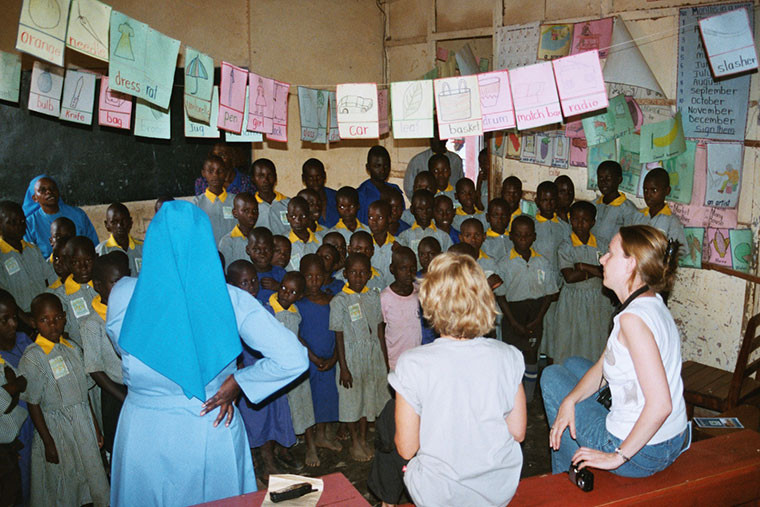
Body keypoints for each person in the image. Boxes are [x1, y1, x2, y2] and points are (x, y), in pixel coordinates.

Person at [104, 201, 308, 506]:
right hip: (210, 425)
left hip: (144, 433)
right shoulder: (230, 298)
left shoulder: (122, 294)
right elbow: (294, 358)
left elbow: (124, 346)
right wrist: (240, 381)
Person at [375, 252, 526, 506]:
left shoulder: (412, 363)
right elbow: (518, 432)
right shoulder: (508, 355)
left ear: (428, 302)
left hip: (438, 494)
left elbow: (407, 449)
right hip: (499, 489)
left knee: (390, 417)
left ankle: (387, 499)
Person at [541, 225, 689, 478]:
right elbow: (603, 364)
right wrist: (570, 400)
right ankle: (576, 420)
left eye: (609, 253)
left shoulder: (632, 321)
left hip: (643, 453)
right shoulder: (651, 301)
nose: (601, 259)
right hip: (672, 436)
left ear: (630, 264)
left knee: (552, 376)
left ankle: (567, 479)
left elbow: (661, 404)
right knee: (575, 364)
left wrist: (617, 456)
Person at [20, 293, 109, 507]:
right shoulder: (33, 357)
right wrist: (48, 442)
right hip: (58, 429)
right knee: (66, 480)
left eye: (57, 318)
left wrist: (95, 426)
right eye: (44, 320)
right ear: (34, 322)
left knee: (90, 476)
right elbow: (33, 403)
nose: (52, 325)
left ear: (65, 317)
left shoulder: (72, 348)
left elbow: (84, 393)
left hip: (83, 424)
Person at [226, 260, 297, 482]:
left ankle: (269, 457)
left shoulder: (264, 307)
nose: (251, 286)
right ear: (231, 285)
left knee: (272, 416)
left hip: (267, 370)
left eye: (254, 281)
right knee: (253, 419)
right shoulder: (229, 313)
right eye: (244, 283)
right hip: (247, 373)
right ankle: (258, 460)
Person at [330, 253, 389, 461]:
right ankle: (354, 440)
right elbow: (338, 335)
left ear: (369, 274)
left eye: (363, 272)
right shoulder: (339, 301)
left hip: (372, 355)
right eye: (353, 272)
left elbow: (380, 330)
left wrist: (385, 359)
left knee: (368, 398)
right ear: (345, 274)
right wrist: (344, 367)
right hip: (351, 357)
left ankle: (363, 438)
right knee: (351, 400)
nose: (358, 276)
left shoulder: (373, 296)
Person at [497, 216, 559, 401]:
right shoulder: (504, 264)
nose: (523, 239)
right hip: (512, 314)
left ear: (534, 236)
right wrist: (513, 322)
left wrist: (539, 319)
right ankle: (511, 398)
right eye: (518, 235)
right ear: (511, 237)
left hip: (536, 313)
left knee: (532, 354)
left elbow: (550, 294)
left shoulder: (543, 262)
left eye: (527, 235)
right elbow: (500, 296)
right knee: (511, 355)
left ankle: (529, 399)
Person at [552, 201, 614, 364]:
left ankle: (594, 380)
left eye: (585, 220)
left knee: (595, 339)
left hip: (597, 300)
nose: (580, 224)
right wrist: (596, 271)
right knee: (570, 340)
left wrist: (583, 267)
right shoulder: (566, 247)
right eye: (575, 219)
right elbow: (570, 277)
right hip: (572, 300)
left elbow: (609, 272)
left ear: (593, 222)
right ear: (570, 220)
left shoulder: (602, 244)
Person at [81, 252, 130, 455]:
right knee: (121, 446)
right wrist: (123, 397)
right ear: (98, 286)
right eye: (115, 282)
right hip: (115, 394)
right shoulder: (92, 324)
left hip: (139, 389)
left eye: (126, 280)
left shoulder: (134, 311)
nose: (123, 287)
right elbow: (95, 370)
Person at [296, 254, 342, 467]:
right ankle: (310, 445)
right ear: (301, 277)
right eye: (308, 276)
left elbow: (338, 332)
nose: (314, 281)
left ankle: (322, 435)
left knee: (325, 399)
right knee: (308, 402)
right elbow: (296, 334)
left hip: (328, 359)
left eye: (318, 276)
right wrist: (312, 356)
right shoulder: (299, 304)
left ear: (325, 277)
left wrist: (334, 357)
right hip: (308, 362)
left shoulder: (332, 301)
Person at [0, 289, 33, 505]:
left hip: (35, 424)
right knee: (17, 487)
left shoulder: (24, 340)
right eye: (4, 320)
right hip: (12, 434)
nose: (13, 324)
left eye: (14, 317)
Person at [23, 175, 99, 259]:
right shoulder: (30, 224)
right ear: (34, 198)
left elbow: (94, 246)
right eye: (42, 190)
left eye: (52, 188)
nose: (49, 192)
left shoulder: (78, 215)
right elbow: (30, 258)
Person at [0, 201, 52, 313]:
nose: (19, 225)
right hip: (17, 316)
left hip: (43, 311)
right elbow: (2, 295)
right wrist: (24, 319)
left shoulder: (33, 249)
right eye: (12, 222)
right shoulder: (1, 256)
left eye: (22, 221)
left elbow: (48, 279)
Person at [46, 236, 98, 347]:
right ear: (67, 263)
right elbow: (64, 333)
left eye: (88, 261)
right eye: (75, 262)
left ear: (96, 258)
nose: (83, 267)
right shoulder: (61, 296)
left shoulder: (103, 285)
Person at [380, 247, 422, 371]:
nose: (409, 272)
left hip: (417, 360)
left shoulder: (419, 292)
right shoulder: (385, 298)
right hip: (394, 363)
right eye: (403, 268)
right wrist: (385, 363)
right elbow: (380, 333)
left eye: (413, 268)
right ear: (392, 269)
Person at [636, 168, 688, 258]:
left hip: (658, 269)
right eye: (645, 190)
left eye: (654, 190)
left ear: (667, 191)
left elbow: (681, 251)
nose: (648, 195)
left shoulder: (672, 222)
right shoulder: (637, 216)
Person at [403, 127, 463, 200]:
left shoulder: (456, 160)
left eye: (440, 136)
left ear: (446, 138)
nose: (437, 139)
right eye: (434, 136)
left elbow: (460, 185)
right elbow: (409, 189)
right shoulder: (418, 160)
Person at [193, 155, 238, 245]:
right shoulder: (197, 203)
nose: (215, 175)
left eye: (220, 171)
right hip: (208, 252)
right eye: (210, 171)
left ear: (225, 174)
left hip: (232, 252)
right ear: (203, 173)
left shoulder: (235, 201)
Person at [593, 160, 639, 245]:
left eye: (608, 178)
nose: (603, 182)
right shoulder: (593, 205)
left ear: (619, 180)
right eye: (600, 178)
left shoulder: (628, 210)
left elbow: (631, 241)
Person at [398, 189, 452, 261]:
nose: (425, 214)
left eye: (428, 209)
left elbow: (449, 260)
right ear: (412, 210)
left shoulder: (443, 237)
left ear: (433, 210)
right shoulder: (404, 236)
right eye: (420, 210)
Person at [357, 146, 404, 226]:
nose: (382, 170)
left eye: (386, 166)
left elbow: (401, 219)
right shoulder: (361, 194)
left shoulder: (395, 190)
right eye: (377, 166)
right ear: (368, 168)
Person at [95, 202, 144, 276]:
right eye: (114, 222)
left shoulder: (143, 247)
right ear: (107, 225)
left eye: (123, 221)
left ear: (130, 222)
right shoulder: (101, 251)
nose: (119, 225)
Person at [218, 192, 259, 268]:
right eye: (246, 211)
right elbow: (226, 270)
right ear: (235, 213)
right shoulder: (227, 241)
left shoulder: (260, 238)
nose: (251, 214)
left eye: (255, 210)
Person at [246, 227, 286, 305]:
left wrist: (279, 287)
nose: (262, 254)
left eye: (267, 249)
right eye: (257, 250)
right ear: (248, 250)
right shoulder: (245, 275)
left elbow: (296, 295)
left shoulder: (280, 273)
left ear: (273, 249)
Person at [252, 158, 290, 235]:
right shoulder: (250, 206)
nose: (265, 180)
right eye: (261, 176)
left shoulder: (288, 203)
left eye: (270, 175)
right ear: (253, 179)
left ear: (276, 177)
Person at [285, 197, 320, 272]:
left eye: (303, 216)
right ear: (287, 217)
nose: (298, 221)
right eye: (293, 216)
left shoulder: (319, 240)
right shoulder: (284, 242)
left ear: (309, 216)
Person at [302, 158, 339, 228]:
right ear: (303, 179)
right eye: (310, 178)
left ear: (324, 176)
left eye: (318, 176)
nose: (315, 181)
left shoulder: (337, 197)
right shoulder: (300, 203)